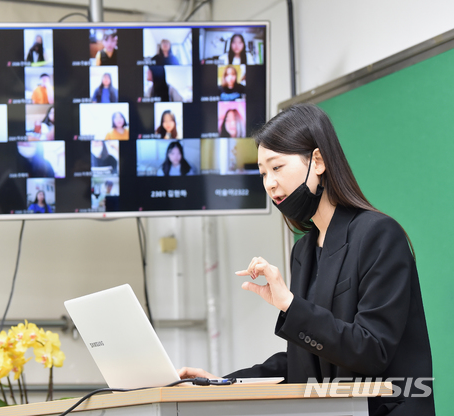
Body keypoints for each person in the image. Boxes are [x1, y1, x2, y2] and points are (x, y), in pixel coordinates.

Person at [178, 103, 435, 416]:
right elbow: (306, 360)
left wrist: (289, 303)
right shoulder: (304, 250)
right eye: (262, 173)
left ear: (317, 161)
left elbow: (370, 350)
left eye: (277, 167)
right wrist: (224, 382)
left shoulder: (379, 235)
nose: (269, 183)